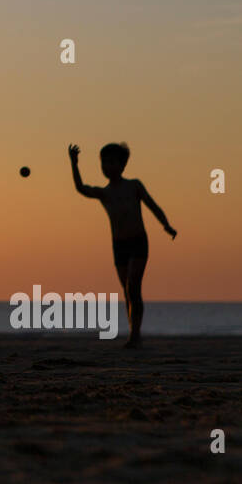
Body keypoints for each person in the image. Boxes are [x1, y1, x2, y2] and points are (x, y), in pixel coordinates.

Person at [68, 142, 175, 348]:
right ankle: (134, 332)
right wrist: (74, 163)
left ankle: (135, 335)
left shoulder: (134, 185)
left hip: (138, 242)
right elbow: (81, 188)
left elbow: (153, 206)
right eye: (103, 163)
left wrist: (166, 225)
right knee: (126, 291)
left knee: (133, 287)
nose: (107, 166)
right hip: (119, 246)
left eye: (111, 162)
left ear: (122, 165)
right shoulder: (104, 193)